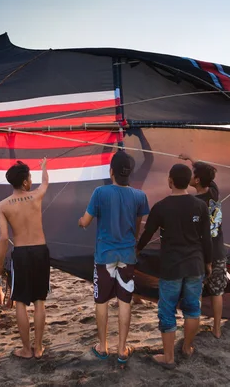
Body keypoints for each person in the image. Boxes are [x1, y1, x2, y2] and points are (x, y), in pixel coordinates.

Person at [136, 163, 212, 369]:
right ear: (188, 181)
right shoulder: (200, 206)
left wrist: (136, 251)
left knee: (167, 310)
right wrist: (209, 263)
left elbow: (147, 233)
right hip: (195, 265)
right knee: (192, 308)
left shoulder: (161, 207)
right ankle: (187, 348)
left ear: (169, 181)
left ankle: (168, 357)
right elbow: (207, 238)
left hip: (171, 267)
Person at [78, 150, 150, 365]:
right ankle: (121, 350)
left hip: (104, 256)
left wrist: (80, 222)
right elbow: (137, 227)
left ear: (111, 172)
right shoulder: (139, 196)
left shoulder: (100, 193)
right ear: (129, 174)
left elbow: (86, 221)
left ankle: (103, 347)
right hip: (127, 254)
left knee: (101, 301)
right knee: (124, 301)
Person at [0, 158, 50, 360]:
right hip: (41, 251)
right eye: (29, 177)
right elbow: (45, 183)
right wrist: (44, 167)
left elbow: (3, 238)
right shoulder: (36, 196)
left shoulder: (3, 206)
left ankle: (26, 350)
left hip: (22, 254)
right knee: (39, 301)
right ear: (25, 182)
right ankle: (39, 347)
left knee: (20, 302)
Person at [180, 154, 226, 339]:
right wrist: (192, 159)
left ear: (197, 180)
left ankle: (195, 328)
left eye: (192, 173)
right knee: (217, 292)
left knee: (196, 291)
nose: (190, 176)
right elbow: (207, 171)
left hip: (201, 255)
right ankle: (217, 328)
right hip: (219, 252)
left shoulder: (194, 204)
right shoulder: (214, 191)